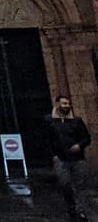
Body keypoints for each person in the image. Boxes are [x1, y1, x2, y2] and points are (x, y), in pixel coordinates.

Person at [51, 94, 93, 222]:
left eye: (68, 104)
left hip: (77, 158)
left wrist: (79, 145)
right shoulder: (50, 121)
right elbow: (47, 139)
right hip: (61, 158)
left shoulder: (76, 120)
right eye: (64, 104)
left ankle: (81, 211)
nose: (67, 106)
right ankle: (71, 208)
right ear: (57, 105)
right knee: (65, 184)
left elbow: (87, 138)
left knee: (80, 185)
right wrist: (54, 154)